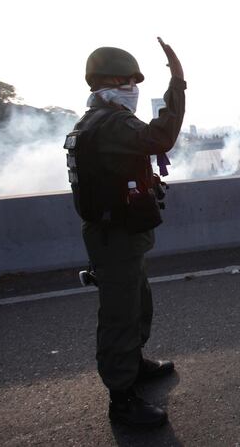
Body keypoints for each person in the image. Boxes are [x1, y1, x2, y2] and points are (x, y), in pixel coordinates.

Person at [64, 38, 185, 428]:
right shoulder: (112, 122)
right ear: (105, 83)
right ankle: (122, 401)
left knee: (137, 304)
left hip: (119, 233)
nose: (133, 89)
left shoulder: (95, 121)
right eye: (127, 81)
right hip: (114, 236)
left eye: (135, 82)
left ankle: (133, 365)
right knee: (120, 316)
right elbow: (161, 138)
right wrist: (177, 84)